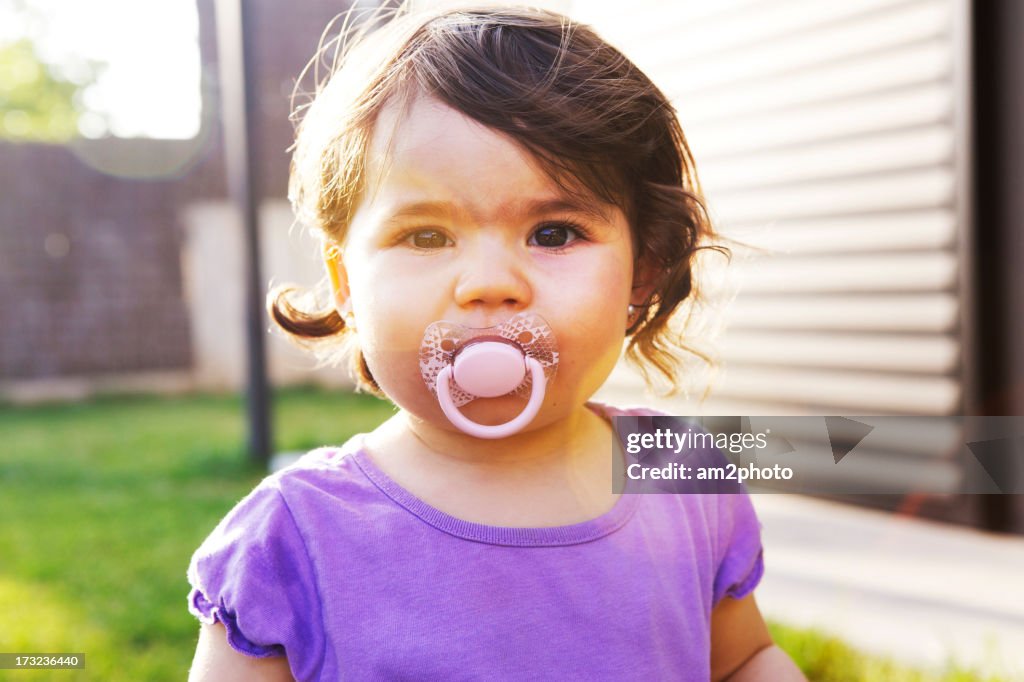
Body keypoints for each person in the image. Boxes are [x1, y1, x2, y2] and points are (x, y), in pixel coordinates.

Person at [187, 5, 805, 680]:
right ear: (346, 286)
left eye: (553, 233)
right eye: (425, 236)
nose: (488, 285)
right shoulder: (294, 537)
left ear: (644, 269)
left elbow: (745, 659)